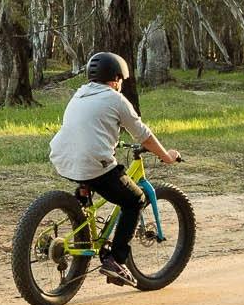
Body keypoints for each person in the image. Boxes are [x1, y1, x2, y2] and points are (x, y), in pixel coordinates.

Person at [49, 51, 180, 286]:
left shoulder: (79, 93)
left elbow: (88, 126)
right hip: (93, 164)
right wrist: (167, 156)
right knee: (134, 200)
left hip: (63, 159)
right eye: (121, 80)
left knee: (92, 178)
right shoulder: (115, 99)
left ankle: (83, 203)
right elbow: (144, 136)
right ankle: (115, 261)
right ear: (116, 79)